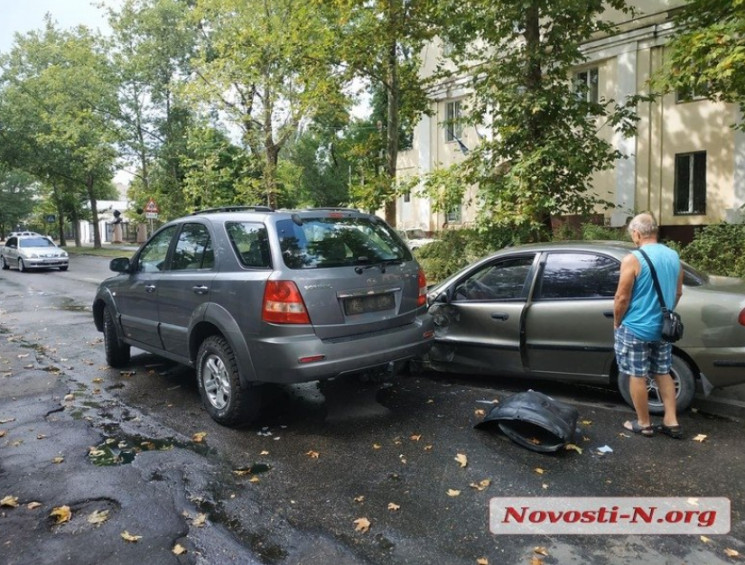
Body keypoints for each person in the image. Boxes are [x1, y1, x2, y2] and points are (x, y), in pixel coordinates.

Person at [613, 212, 684, 438]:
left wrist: (617, 322)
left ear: (636, 234)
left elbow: (622, 298)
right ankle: (671, 421)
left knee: (637, 375)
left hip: (636, 328)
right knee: (663, 372)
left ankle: (644, 423)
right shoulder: (673, 256)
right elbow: (678, 291)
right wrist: (664, 314)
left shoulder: (633, 259)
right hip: (663, 329)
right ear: (655, 232)